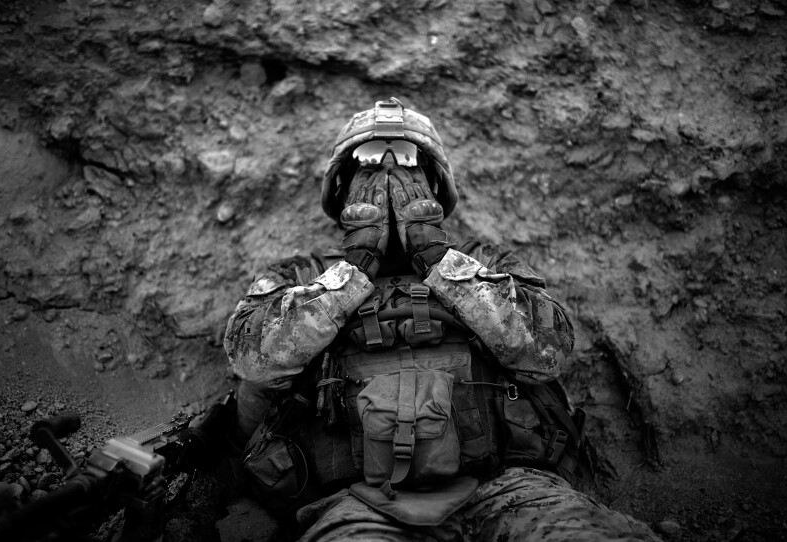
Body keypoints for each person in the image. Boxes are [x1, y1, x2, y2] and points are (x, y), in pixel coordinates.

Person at [224, 98, 661, 541]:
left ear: (434, 183)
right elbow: (252, 360)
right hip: (357, 504)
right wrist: (353, 270)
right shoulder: (300, 275)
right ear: (342, 188)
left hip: (511, 489)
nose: (389, 174)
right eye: (369, 160)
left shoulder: (485, 261)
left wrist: (440, 262)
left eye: (408, 158)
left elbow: (547, 351)